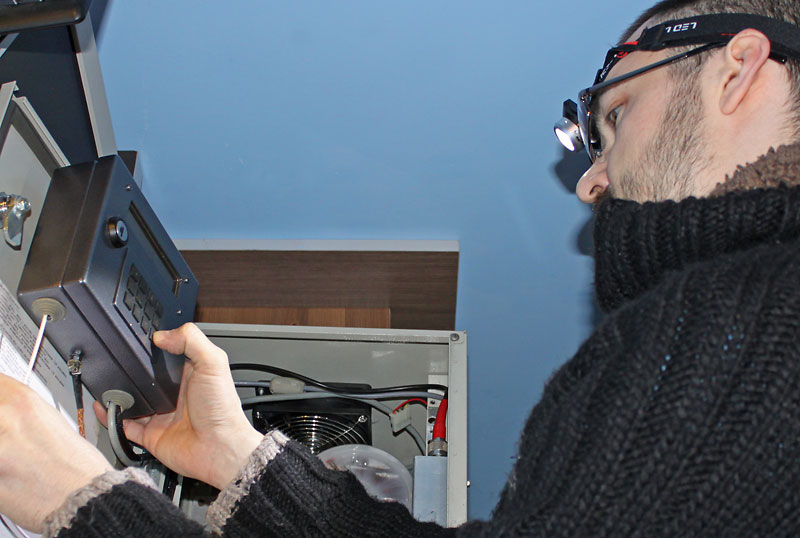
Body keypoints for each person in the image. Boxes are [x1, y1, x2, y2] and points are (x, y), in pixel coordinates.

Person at [4, 0, 800, 535]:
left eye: (615, 114)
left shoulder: (753, 321)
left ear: (737, 69)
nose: (592, 182)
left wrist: (84, 504)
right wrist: (240, 461)